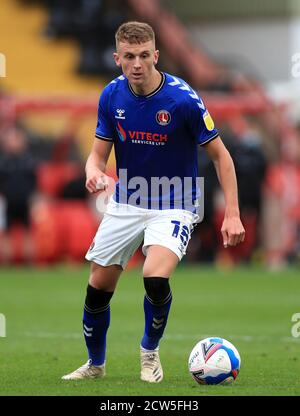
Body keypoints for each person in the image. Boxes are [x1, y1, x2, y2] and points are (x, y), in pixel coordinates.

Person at [62, 21, 245, 383]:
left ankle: (149, 354)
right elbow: (96, 156)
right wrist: (93, 172)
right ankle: (95, 365)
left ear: (156, 55)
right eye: (129, 56)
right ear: (117, 58)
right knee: (98, 288)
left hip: (175, 202)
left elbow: (222, 157)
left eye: (144, 55)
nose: (137, 64)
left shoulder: (183, 100)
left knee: (154, 277)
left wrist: (232, 214)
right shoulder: (111, 96)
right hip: (127, 202)